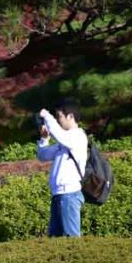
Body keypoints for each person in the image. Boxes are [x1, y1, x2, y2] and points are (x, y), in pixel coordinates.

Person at [37, 100, 88, 238]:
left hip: (70, 195)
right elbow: (42, 155)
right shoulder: (64, 142)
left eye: (59, 116)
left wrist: (47, 116)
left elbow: (59, 134)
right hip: (58, 195)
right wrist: (44, 140)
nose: (58, 120)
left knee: (71, 239)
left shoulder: (77, 136)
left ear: (70, 116)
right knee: (55, 239)